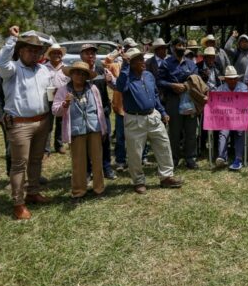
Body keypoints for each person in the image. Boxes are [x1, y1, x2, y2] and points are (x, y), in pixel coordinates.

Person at [0, 25, 53, 220]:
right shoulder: (11, 70)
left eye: (37, 50)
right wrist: (11, 39)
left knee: (36, 160)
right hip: (20, 124)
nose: (34, 53)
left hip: (42, 121)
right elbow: (1, 62)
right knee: (19, 164)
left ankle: (33, 192)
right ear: (20, 51)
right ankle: (18, 203)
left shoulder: (44, 70)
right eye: (30, 49)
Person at [116, 48, 182, 192]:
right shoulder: (126, 78)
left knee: (163, 145)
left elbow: (156, 95)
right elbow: (120, 87)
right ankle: (138, 181)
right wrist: (125, 66)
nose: (143, 62)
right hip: (135, 119)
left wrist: (162, 111)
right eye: (138, 60)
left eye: (142, 58)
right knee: (135, 153)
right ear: (131, 63)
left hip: (153, 116)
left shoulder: (149, 75)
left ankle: (166, 177)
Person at [51, 61, 107, 199]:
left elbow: (99, 109)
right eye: (76, 72)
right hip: (76, 131)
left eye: (83, 74)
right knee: (78, 162)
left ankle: (99, 188)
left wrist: (103, 129)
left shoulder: (93, 88)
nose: (79, 76)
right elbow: (55, 111)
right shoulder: (64, 90)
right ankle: (78, 191)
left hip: (94, 128)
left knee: (97, 160)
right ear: (71, 74)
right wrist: (65, 104)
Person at [158, 37, 200, 169]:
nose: (181, 47)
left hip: (189, 100)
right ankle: (175, 157)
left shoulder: (191, 64)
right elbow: (159, 81)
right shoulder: (166, 63)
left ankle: (190, 158)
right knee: (174, 132)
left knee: (191, 131)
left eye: (183, 45)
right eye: (179, 45)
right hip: (173, 101)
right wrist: (172, 85)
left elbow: (196, 79)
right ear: (173, 47)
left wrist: (186, 85)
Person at [79, 44, 115, 180]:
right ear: (81, 55)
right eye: (87, 53)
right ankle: (88, 171)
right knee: (86, 141)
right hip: (85, 113)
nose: (90, 56)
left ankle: (106, 168)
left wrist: (110, 81)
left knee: (105, 140)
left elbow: (113, 85)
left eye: (93, 53)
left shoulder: (101, 69)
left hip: (103, 111)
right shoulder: (78, 71)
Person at [212, 66, 248, 170]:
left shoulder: (243, 87)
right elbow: (214, 102)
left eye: (234, 78)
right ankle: (221, 157)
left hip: (239, 118)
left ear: (237, 78)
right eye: (230, 79)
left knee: (240, 131)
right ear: (226, 80)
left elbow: (246, 102)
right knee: (223, 132)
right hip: (225, 119)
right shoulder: (220, 89)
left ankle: (238, 158)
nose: (232, 80)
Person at [43, 44, 68, 155]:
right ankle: (46, 148)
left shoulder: (66, 68)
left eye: (59, 53)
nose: (57, 55)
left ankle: (59, 145)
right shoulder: (43, 68)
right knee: (47, 123)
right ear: (49, 55)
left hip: (61, 99)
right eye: (54, 52)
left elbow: (69, 83)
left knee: (61, 123)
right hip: (46, 98)